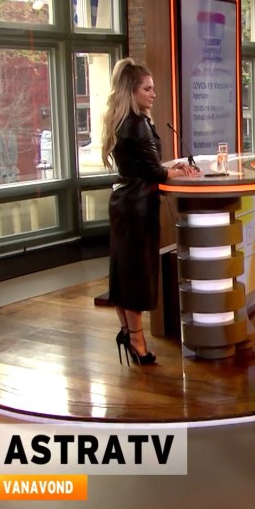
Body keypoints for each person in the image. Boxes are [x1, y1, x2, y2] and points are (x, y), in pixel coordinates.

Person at [101, 58, 197, 366]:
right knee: (135, 275)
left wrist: (171, 167)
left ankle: (127, 332)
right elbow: (156, 173)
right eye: (147, 89)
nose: (153, 94)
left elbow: (144, 166)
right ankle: (137, 340)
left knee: (123, 273)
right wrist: (181, 171)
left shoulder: (123, 120)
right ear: (132, 91)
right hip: (137, 208)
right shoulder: (136, 124)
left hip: (124, 203)